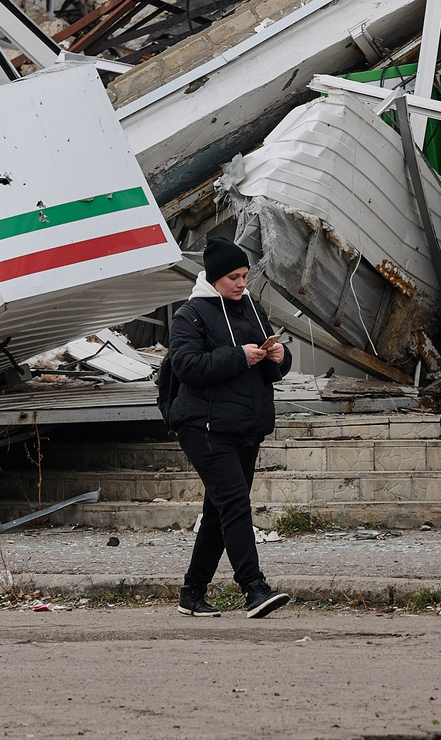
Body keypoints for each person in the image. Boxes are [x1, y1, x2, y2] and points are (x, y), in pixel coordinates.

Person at [165, 237, 294, 618]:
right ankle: (254, 589)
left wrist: (278, 356)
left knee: (221, 511)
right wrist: (238, 356)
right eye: (233, 277)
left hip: (245, 427)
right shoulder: (189, 314)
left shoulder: (252, 308)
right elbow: (186, 365)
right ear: (214, 277)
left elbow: (273, 371)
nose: (241, 283)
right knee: (235, 504)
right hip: (202, 427)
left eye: (245, 276)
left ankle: (192, 593)